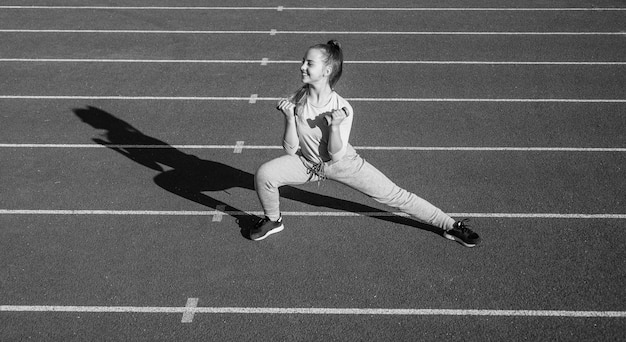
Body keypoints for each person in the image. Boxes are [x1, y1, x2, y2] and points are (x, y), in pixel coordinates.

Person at [251, 40, 481, 247]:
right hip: (308, 163)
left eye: (309, 63)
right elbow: (290, 149)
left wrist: (334, 126)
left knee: (396, 196)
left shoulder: (342, 108)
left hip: (343, 163)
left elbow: (337, 156)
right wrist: (289, 118)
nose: (302, 66)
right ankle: (273, 220)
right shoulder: (298, 99)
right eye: (303, 61)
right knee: (265, 174)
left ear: (327, 71)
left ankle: (451, 225)